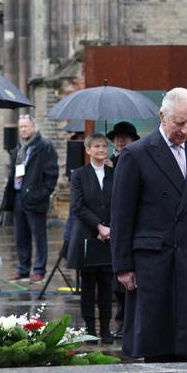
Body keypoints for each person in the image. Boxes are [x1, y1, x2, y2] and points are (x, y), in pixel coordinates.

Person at [111, 87, 187, 362]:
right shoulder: (136, 155)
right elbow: (122, 215)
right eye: (179, 123)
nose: (185, 130)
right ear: (162, 116)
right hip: (153, 260)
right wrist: (123, 266)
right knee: (157, 345)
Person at [66, 133, 116, 342]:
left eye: (104, 146)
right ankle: (89, 329)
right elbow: (78, 206)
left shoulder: (114, 173)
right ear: (87, 150)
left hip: (110, 236)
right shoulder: (79, 174)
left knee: (106, 284)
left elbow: (118, 202)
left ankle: (105, 328)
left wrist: (110, 228)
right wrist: (98, 226)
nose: (101, 150)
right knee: (87, 285)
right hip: (88, 235)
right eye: (96, 146)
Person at [4, 113, 59, 284]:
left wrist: (40, 193)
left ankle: (39, 270)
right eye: (20, 127)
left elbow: (51, 175)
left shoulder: (45, 146)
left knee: (39, 236)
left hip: (35, 198)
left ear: (33, 127)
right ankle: (23, 269)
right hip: (19, 196)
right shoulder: (19, 147)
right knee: (21, 236)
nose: (23, 130)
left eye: (26, 126)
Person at [106, 120, 138, 338]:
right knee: (115, 282)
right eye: (117, 138)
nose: (119, 141)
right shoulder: (109, 164)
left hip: (130, 228)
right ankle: (120, 323)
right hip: (109, 227)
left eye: (124, 137)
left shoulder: (135, 160)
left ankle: (131, 324)